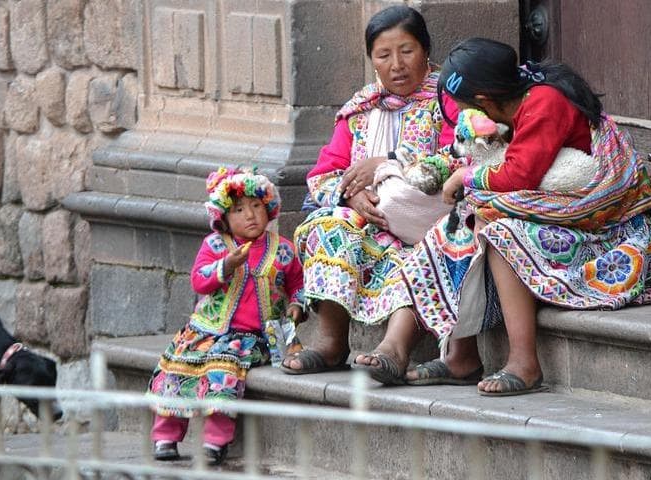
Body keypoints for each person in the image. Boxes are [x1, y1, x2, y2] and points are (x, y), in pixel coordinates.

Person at [354, 38, 651, 396]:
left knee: (500, 234)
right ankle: (457, 355)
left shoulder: (544, 103)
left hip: (605, 228)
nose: (464, 118)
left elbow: (520, 173)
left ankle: (525, 362)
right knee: (454, 229)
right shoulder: (509, 104)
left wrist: (465, 177)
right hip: (553, 210)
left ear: (484, 101)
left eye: (465, 108)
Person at [281, 6, 460, 374]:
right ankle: (331, 342)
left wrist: (386, 163)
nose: (397, 65)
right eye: (383, 55)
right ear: (371, 60)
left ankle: (394, 349)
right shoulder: (360, 109)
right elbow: (323, 174)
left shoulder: (448, 102)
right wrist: (351, 196)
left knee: (427, 251)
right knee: (327, 227)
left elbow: (457, 156)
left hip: (423, 222)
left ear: (426, 50)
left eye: (407, 51)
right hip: (369, 223)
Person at [147, 166, 304, 465]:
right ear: (224, 218)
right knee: (177, 365)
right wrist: (226, 266)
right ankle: (166, 435)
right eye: (239, 210)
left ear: (269, 208)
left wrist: (298, 305)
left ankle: (214, 442)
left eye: (256, 206)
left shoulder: (283, 250)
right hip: (205, 330)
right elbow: (199, 280)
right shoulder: (215, 245)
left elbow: (298, 283)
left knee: (223, 372)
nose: (250, 215)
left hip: (253, 338)